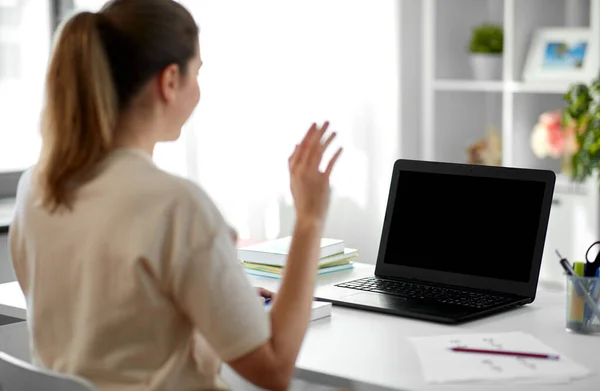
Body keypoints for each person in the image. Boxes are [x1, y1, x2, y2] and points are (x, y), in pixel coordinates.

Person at [8, 0, 342, 390]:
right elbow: (274, 370)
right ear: (169, 81)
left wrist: (203, 296)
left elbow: (100, 321)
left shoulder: (36, 187)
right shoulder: (177, 206)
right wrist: (309, 221)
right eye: (197, 73)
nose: (199, 90)